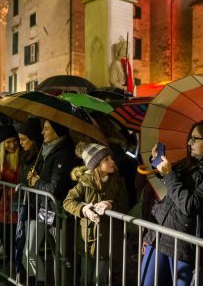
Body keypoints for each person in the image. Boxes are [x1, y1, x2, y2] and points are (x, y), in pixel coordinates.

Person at [141, 121, 203, 286]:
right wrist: (157, 161)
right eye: (190, 138)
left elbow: (190, 205)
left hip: (182, 249)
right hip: (159, 238)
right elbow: (172, 185)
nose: (189, 143)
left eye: (195, 139)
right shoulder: (189, 163)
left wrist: (169, 175)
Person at [63, 142, 128, 286]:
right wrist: (84, 209)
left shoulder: (118, 181)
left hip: (108, 239)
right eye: (106, 159)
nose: (112, 161)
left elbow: (124, 205)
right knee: (86, 279)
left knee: (99, 280)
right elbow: (68, 202)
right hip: (88, 239)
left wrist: (111, 205)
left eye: (111, 158)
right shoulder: (84, 183)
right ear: (96, 165)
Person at [26, 120, 78, 285]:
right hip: (47, 210)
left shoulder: (64, 154)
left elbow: (54, 187)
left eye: (46, 128)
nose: (42, 132)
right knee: (55, 255)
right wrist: (33, 178)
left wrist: (37, 182)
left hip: (61, 214)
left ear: (58, 131)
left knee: (63, 257)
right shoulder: (47, 151)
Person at [15, 117, 43, 282]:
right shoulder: (27, 157)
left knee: (30, 251)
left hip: (36, 208)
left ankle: (39, 281)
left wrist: (35, 180)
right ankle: (32, 280)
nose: (21, 143)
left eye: (24, 139)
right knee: (26, 251)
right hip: (27, 206)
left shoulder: (39, 159)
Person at [0, 124, 22, 261]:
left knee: (15, 238)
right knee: (3, 234)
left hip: (17, 202)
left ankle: (18, 271)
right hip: (2, 203)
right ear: (2, 143)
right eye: (8, 142)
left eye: (14, 140)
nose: (12, 145)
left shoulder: (21, 154)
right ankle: (11, 266)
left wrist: (0, 169)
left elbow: (17, 178)